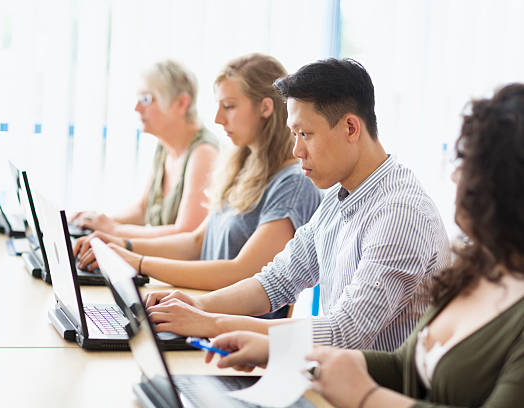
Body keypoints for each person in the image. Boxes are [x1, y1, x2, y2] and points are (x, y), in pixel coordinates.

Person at [206, 83, 524, 408]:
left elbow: (349, 332)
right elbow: (404, 367)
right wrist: (276, 348)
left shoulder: (401, 210)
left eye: (468, 162)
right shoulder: (478, 268)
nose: (456, 177)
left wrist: (365, 394)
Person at [142, 58, 450, 349]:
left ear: (351, 128)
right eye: (294, 134)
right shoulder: (338, 198)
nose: (297, 150)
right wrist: (195, 306)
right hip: (330, 382)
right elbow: (276, 281)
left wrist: (212, 324)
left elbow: (344, 332)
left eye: (306, 134)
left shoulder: (400, 213)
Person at [73, 54, 321, 313]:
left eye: (229, 106)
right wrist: (121, 246)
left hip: (235, 332)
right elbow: (196, 242)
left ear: (265, 108)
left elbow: (243, 271)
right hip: (200, 314)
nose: (218, 118)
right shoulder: (242, 166)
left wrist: (139, 262)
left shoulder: (293, 185)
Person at [71, 60, 219, 239]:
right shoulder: (165, 147)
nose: (137, 108)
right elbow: (142, 210)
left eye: (147, 99)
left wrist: (114, 230)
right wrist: (98, 222)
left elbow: (187, 233)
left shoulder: (204, 153)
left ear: (181, 103)